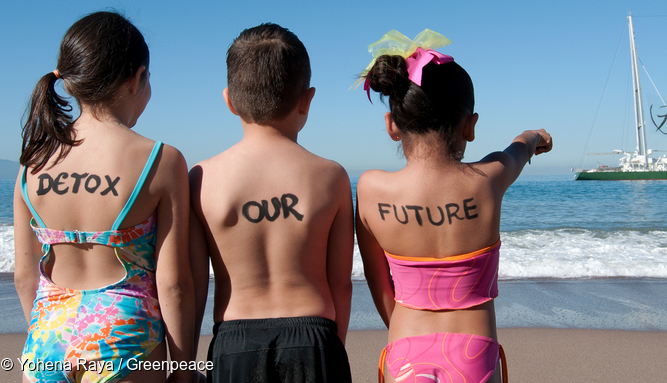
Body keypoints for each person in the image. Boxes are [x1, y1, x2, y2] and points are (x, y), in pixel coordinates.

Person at [354, 29, 552, 383]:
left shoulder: (371, 189)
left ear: (392, 125)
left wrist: (403, 332)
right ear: (470, 126)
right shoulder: (488, 179)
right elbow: (520, 148)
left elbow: (378, 283)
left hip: (405, 348)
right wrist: (537, 135)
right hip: (474, 355)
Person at [13, 11, 195, 382]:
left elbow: (24, 276)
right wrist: (183, 371)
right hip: (123, 338)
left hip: (47, 339)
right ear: (138, 77)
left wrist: (48, 330)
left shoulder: (32, 163)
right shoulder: (160, 160)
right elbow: (174, 284)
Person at [190, 23, 354, 382]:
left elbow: (194, 284)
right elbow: (341, 283)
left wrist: (185, 363)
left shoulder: (201, 178)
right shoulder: (331, 176)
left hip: (235, 340)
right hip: (315, 337)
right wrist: (332, 349)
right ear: (307, 99)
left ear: (229, 101)